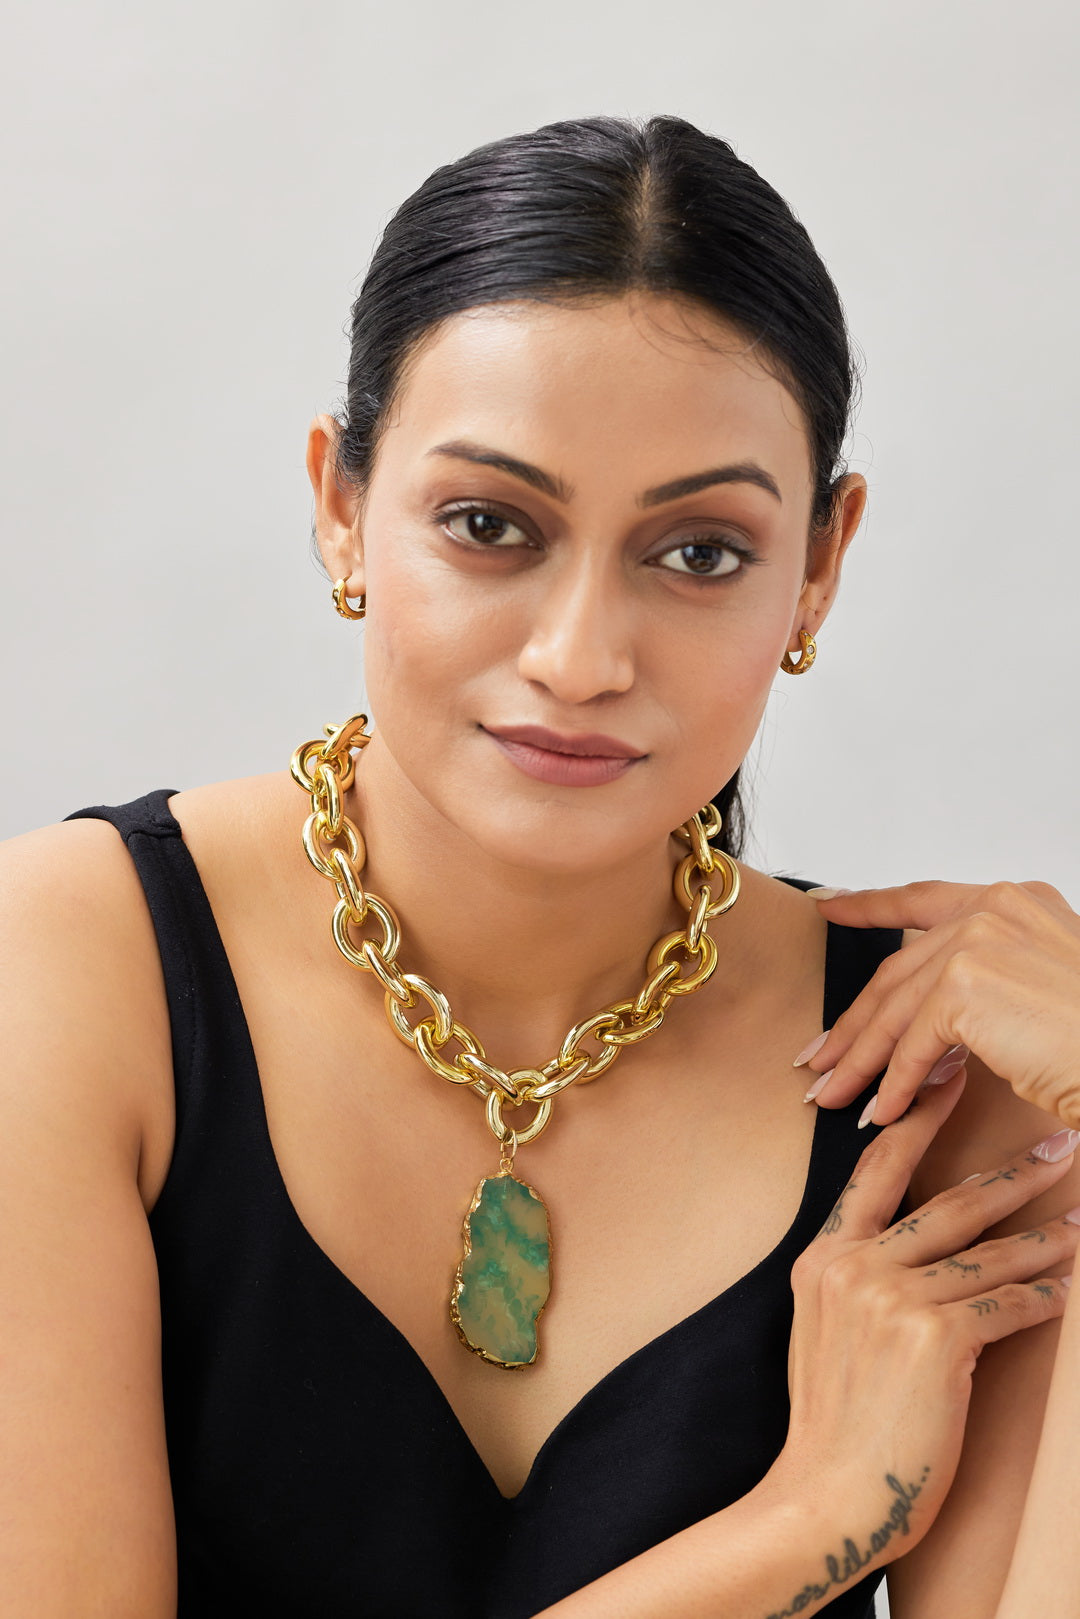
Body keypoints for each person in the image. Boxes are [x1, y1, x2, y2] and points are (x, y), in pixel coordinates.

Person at [2, 112, 1078, 1619]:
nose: (580, 660)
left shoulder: (943, 1081)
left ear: (820, 566)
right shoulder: (71, 966)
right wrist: (813, 1519)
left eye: (698, 552)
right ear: (340, 509)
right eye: (489, 524)